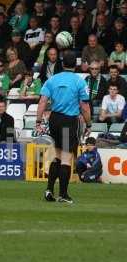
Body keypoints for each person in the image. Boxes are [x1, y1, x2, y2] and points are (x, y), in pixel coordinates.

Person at [36, 50, 92, 204]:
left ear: (62, 63)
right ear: (76, 65)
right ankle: (63, 194)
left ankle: (49, 190)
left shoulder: (52, 80)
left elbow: (42, 102)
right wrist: (89, 124)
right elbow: (84, 106)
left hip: (54, 119)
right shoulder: (79, 81)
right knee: (66, 157)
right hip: (68, 120)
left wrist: (38, 122)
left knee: (57, 155)